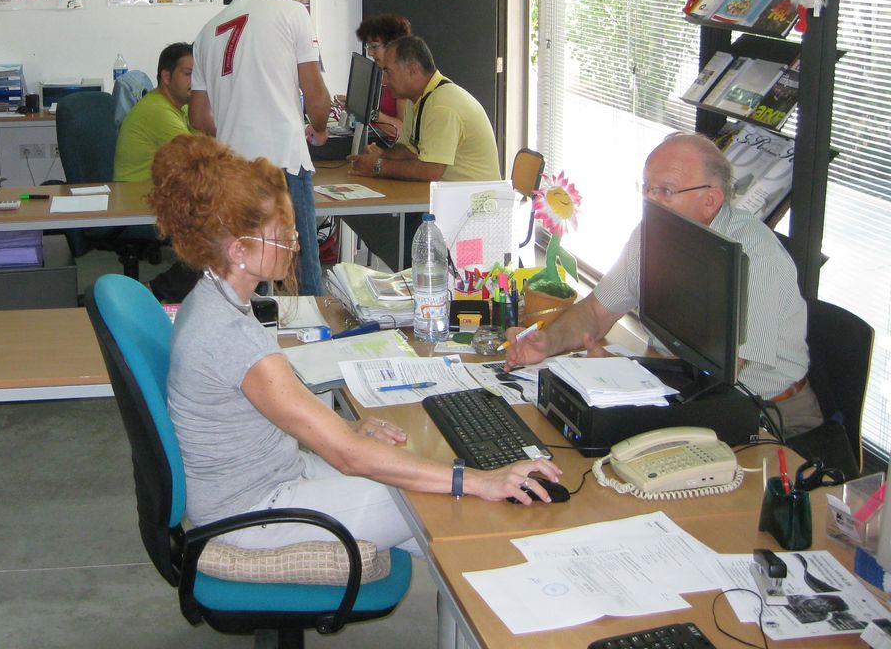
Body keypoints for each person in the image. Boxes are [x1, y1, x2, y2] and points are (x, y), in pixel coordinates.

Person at [150, 134, 563, 553]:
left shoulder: (210, 299)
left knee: (435, 493)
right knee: (438, 498)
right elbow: (347, 456)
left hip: (273, 477)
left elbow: (285, 414)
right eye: (284, 237)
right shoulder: (232, 337)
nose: (295, 247)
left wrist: (348, 426)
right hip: (250, 513)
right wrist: (475, 479)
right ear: (238, 250)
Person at [504, 132, 823, 438]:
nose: (650, 201)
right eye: (647, 188)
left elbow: (719, 378)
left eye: (666, 191)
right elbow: (597, 311)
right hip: (682, 389)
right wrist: (548, 341)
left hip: (766, 414)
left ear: (710, 200)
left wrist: (626, 375)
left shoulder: (754, 256)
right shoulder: (652, 232)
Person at [189, 0, 330, 296]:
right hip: (282, 161)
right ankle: (310, 325)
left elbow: (199, 118)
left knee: (247, 271)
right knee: (302, 271)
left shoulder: (207, 32)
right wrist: (320, 128)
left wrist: (236, 129)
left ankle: (251, 325)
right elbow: (315, 94)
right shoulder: (292, 12)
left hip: (233, 168)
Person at [347, 35, 501, 183]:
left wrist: (377, 166)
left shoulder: (441, 105)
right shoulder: (418, 97)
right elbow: (408, 149)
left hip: (474, 199)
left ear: (413, 70)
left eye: (388, 72)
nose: (384, 80)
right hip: (451, 193)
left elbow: (431, 170)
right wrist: (382, 155)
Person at [113, 42, 194, 182]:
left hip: (157, 191)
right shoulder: (157, 112)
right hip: (134, 193)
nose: (196, 80)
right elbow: (200, 158)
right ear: (166, 77)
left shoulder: (183, 106)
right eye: (189, 74)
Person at [354, 14, 413, 141]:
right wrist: (354, 105)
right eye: (368, 47)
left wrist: (370, 113)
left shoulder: (404, 80)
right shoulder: (382, 71)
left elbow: (402, 130)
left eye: (374, 47)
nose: (370, 53)